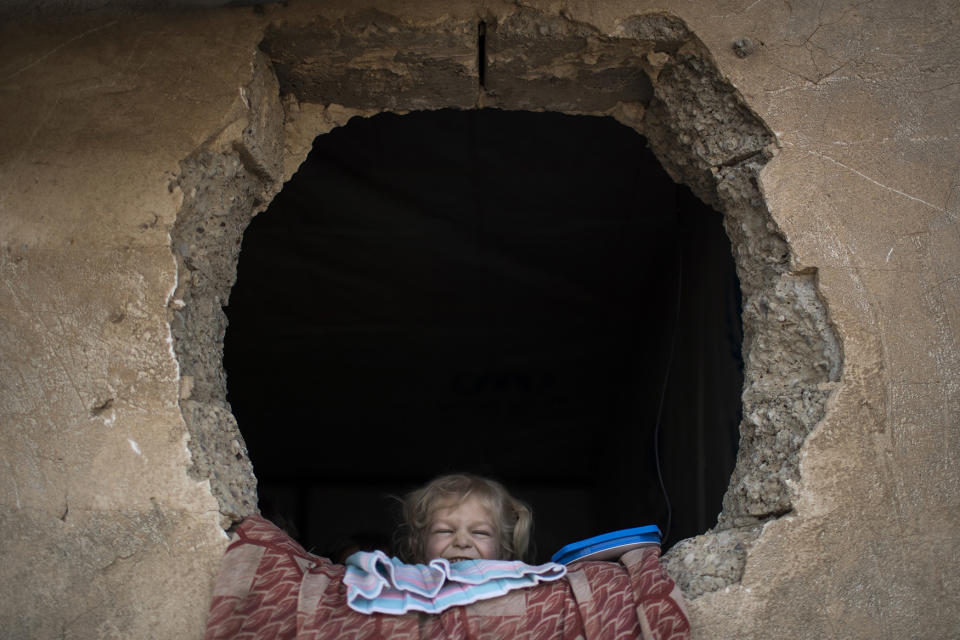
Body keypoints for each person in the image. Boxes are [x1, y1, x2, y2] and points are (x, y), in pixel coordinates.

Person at [398, 472, 533, 564]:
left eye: (480, 532)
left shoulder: (516, 599)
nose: (462, 542)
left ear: (504, 552)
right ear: (417, 546)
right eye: (445, 531)